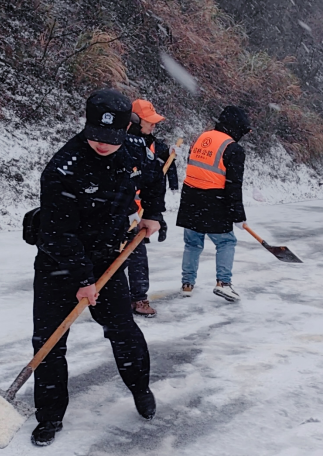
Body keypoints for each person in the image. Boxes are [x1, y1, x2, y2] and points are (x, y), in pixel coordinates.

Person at [31, 89, 162, 447]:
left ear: (126, 130)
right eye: (96, 136)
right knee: (49, 343)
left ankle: (140, 388)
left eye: (112, 138)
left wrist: (153, 212)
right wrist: (83, 280)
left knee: (123, 330)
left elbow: (155, 178)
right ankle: (50, 417)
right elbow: (58, 233)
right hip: (58, 264)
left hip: (107, 258)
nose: (103, 145)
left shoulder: (135, 152)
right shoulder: (63, 167)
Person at [176, 106, 251, 302]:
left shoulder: (201, 138)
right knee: (226, 242)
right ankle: (223, 284)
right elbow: (234, 185)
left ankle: (187, 284)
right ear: (236, 128)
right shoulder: (233, 149)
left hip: (190, 197)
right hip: (215, 201)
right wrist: (238, 215)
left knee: (192, 243)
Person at [124, 99, 167, 317]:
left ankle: (139, 298)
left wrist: (154, 214)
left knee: (137, 256)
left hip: (138, 215)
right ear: (133, 120)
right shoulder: (119, 143)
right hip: (117, 213)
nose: (153, 125)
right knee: (113, 256)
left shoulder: (149, 145)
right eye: (148, 121)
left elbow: (155, 181)